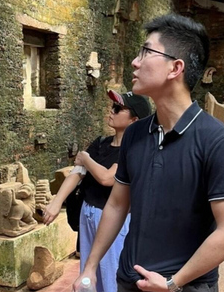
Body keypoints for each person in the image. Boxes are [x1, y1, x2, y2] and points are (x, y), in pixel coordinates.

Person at [75, 14, 224, 292]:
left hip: (184, 286)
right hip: (130, 280)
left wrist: (172, 283)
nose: (135, 61)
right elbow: (118, 204)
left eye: (146, 51)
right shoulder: (135, 133)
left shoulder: (217, 141)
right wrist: (91, 267)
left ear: (175, 68)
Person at [43, 90, 151, 292]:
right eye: (112, 107)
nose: (111, 111)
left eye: (118, 109)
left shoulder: (135, 149)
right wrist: (57, 202)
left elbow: (107, 178)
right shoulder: (101, 143)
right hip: (88, 212)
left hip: (113, 219)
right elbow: (77, 173)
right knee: (88, 272)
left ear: (134, 120)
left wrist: (85, 158)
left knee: (111, 274)